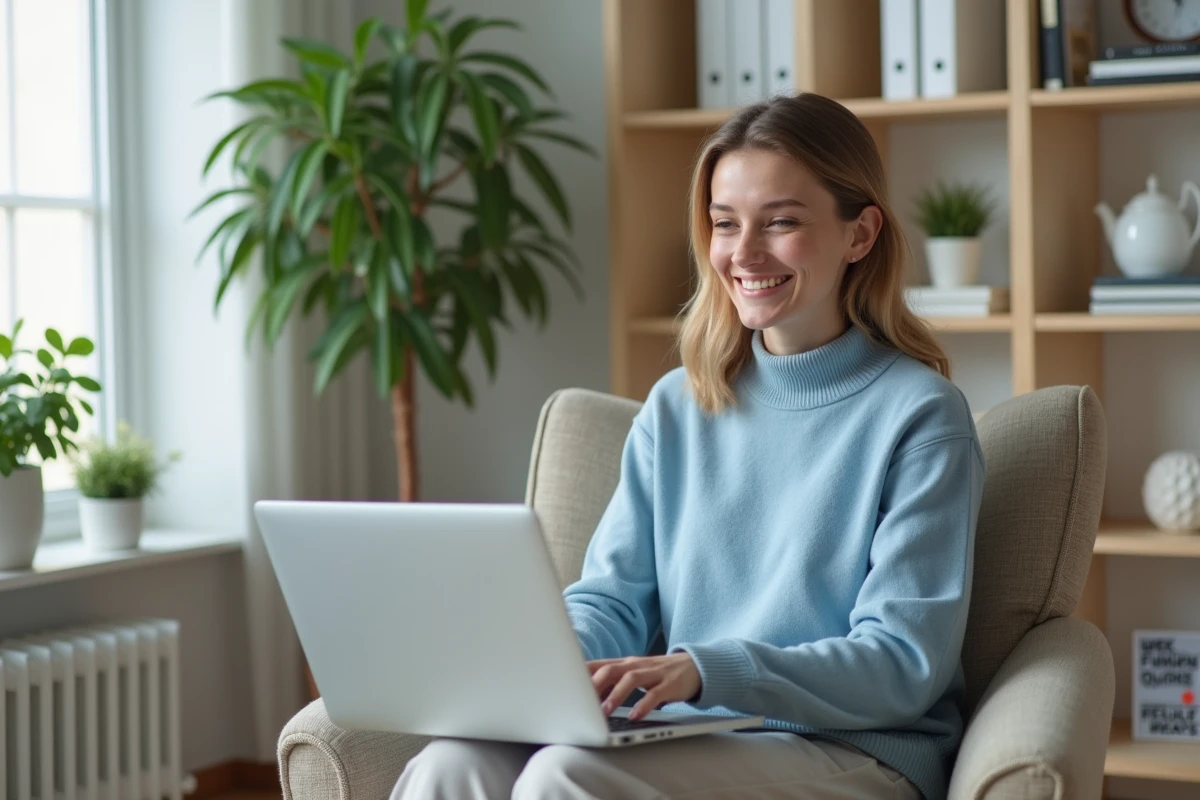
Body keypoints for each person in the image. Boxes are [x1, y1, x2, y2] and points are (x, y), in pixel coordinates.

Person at [391, 91, 985, 800]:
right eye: (725, 223)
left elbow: (901, 662)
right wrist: (546, 672)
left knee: (564, 778)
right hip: (696, 732)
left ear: (860, 235)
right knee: (448, 765)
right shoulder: (678, 404)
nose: (744, 253)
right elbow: (613, 599)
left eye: (782, 222)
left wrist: (706, 669)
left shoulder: (920, 417)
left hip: (853, 750)